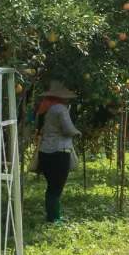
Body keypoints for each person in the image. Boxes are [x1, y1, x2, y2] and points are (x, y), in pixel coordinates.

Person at [36, 80, 80, 224]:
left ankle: (53, 216)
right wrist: (78, 132)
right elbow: (68, 129)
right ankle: (54, 218)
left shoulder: (44, 108)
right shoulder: (60, 108)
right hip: (59, 152)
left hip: (45, 152)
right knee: (56, 188)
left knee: (51, 186)